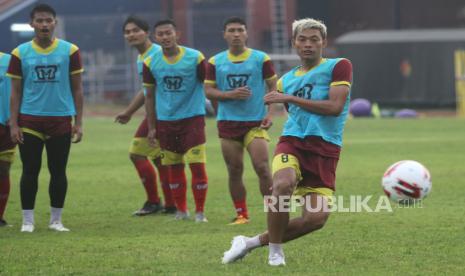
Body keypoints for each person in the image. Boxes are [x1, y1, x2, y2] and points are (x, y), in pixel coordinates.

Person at [222, 18, 353, 266]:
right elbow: (295, 117)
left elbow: (335, 107)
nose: (308, 44)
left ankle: (248, 242)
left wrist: (289, 98)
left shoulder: (339, 66)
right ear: (294, 43)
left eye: (314, 39)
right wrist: (277, 106)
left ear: (323, 42)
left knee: (316, 219)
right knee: (282, 184)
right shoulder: (285, 80)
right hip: (292, 143)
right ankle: (275, 252)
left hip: (325, 150)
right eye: (302, 39)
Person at [7, 4, 84, 232]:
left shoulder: (70, 51)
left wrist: (78, 122)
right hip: (30, 120)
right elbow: (16, 92)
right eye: (39, 20)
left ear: (55, 23)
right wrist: (14, 123)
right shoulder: (20, 53)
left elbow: (78, 89)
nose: (44, 25)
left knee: (58, 171)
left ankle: (56, 220)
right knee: (30, 170)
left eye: (48, 20)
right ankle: (27, 221)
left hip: (60, 120)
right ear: (32, 24)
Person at [204, 17, 277, 225]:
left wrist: (270, 113)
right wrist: (230, 95)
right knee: (234, 170)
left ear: (246, 33)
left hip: (255, 122)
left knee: (262, 167)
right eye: (231, 30)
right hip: (228, 123)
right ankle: (242, 215)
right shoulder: (215, 61)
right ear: (224, 34)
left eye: (240, 30)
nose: (236, 34)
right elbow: (208, 91)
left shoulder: (261, 58)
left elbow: (274, 88)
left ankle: (275, 211)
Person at [143, 19, 208, 222]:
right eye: (160, 34)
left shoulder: (195, 58)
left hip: (192, 119)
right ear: (155, 37)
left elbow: (209, 84)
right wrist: (151, 127)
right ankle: (181, 210)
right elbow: (149, 96)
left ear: (177, 34)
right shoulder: (150, 62)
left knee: (197, 165)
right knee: (174, 167)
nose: (165, 37)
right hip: (166, 122)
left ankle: (200, 212)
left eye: (168, 33)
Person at [115, 16, 176, 216]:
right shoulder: (143, 57)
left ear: (146, 32)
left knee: (137, 153)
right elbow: (146, 90)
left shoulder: (156, 54)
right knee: (159, 158)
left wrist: (129, 112)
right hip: (157, 113)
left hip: (164, 114)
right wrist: (129, 112)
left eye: (135, 30)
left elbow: (152, 90)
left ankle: (155, 201)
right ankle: (169, 203)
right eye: (127, 32)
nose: (131, 35)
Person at [0, 51, 14, 227]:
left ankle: (0, 216)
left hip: (7, 124)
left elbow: (19, 88)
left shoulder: (9, 60)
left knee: (3, 170)